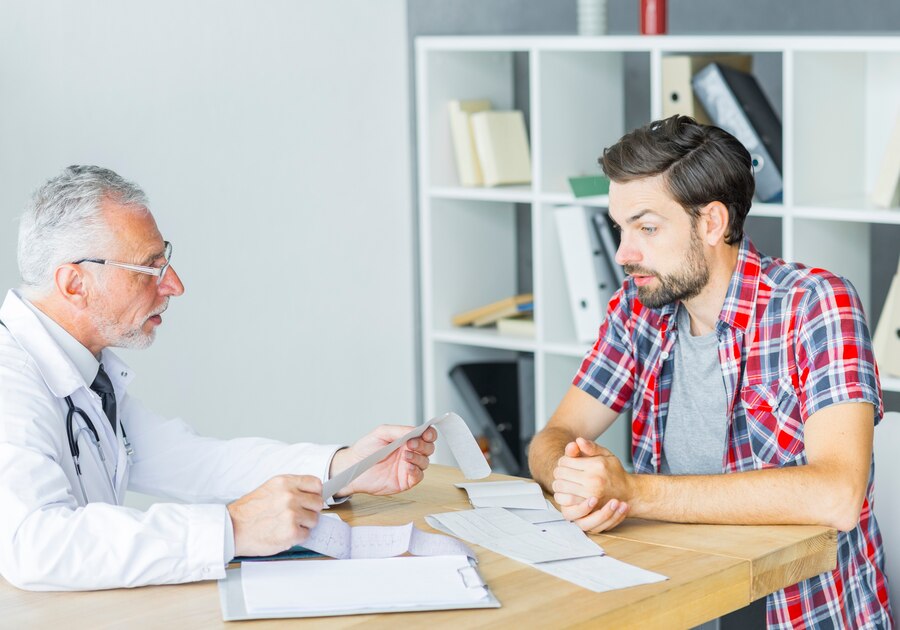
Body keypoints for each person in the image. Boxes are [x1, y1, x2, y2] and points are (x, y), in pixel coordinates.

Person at [528, 116, 892, 628]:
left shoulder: (815, 305)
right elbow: (554, 435)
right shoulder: (638, 308)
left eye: (647, 228)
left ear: (712, 223)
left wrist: (632, 491)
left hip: (795, 610)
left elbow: (837, 495)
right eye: (620, 228)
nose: (623, 254)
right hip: (677, 594)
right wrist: (572, 477)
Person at [0, 165, 437, 591]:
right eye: (150, 269)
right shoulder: (11, 378)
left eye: (164, 260)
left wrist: (343, 468)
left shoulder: (86, 372)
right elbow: (36, 544)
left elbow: (194, 461)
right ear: (75, 283)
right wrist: (230, 527)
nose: (174, 284)